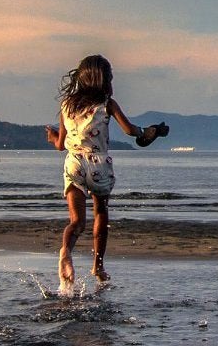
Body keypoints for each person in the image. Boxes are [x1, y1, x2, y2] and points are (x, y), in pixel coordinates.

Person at [44, 54, 168, 290]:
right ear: (102, 80)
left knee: (77, 221)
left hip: (74, 163)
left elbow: (61, 145)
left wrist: (52, 137)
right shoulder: (107, 105)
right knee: (100, 212)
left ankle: (65, 252)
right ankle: (98, 266)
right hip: (98, 164)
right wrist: (150, 131)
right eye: (110, 76)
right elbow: (131, 130)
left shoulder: (66, 106)